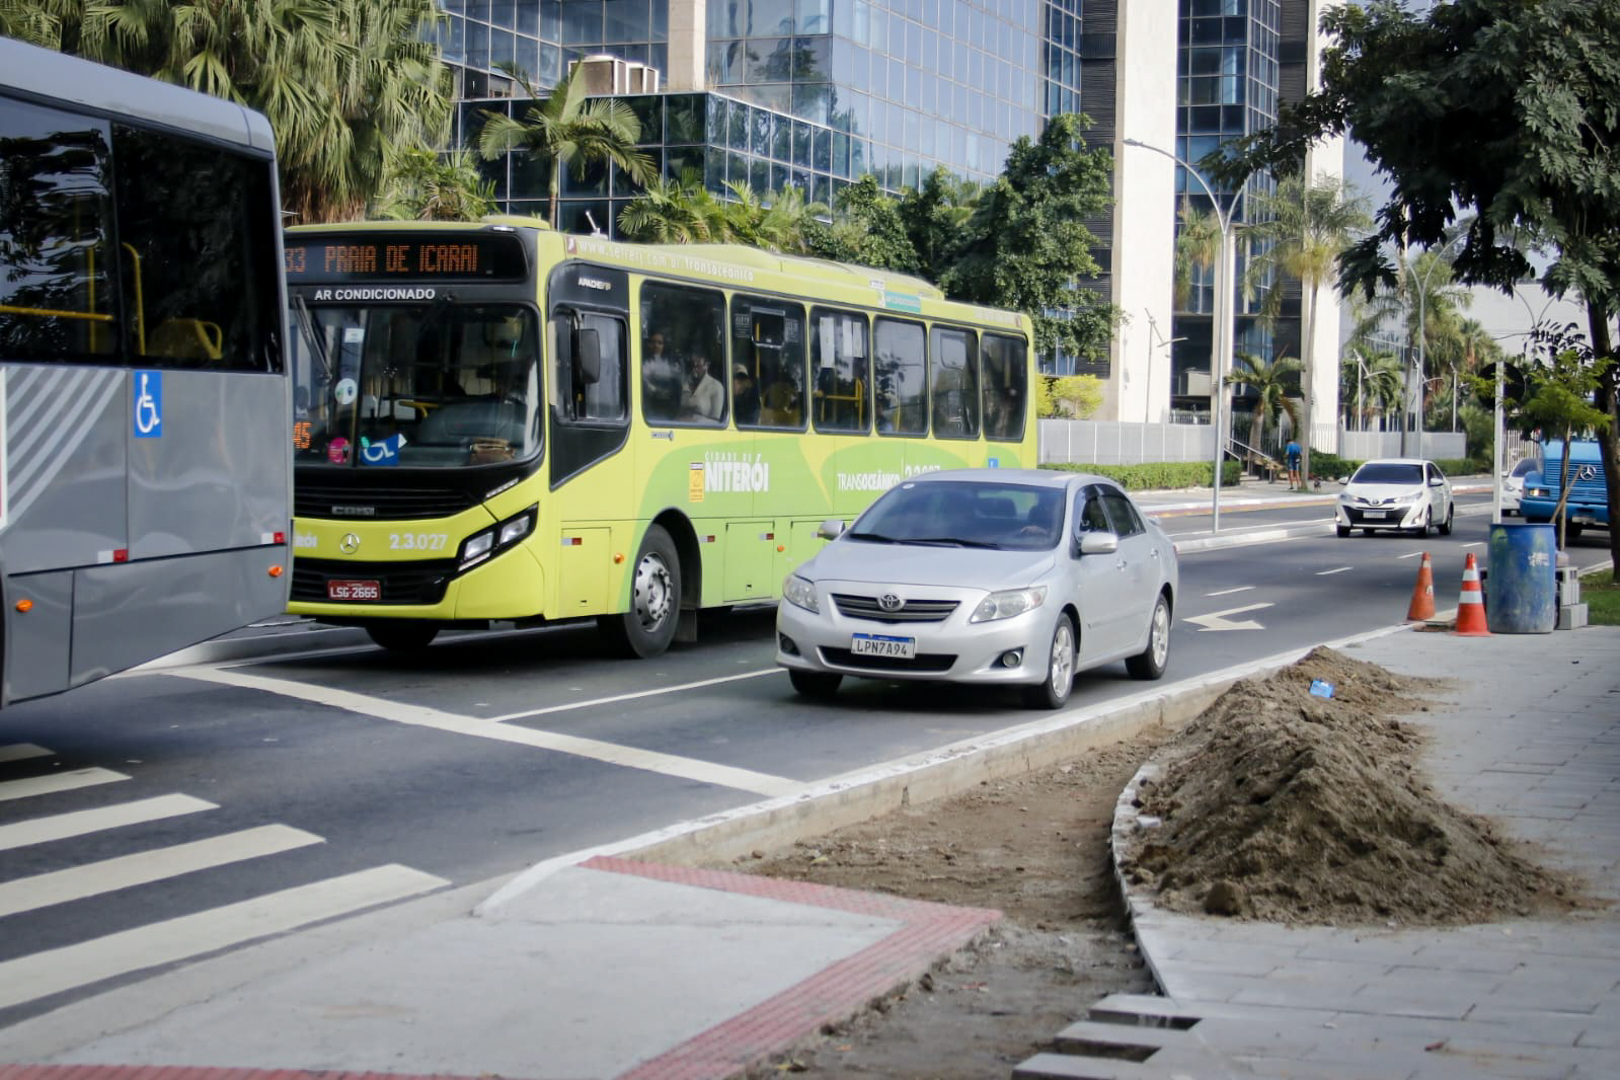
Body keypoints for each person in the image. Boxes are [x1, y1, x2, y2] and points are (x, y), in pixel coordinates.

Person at [642, 330, 681, 421]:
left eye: (660, 343)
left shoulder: (670, 363)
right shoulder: (643, 362)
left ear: (664, 345)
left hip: (668, 407)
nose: (656, 345)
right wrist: (654, 390)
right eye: (653, 342)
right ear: (648, 344)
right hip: (648, 406)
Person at [680, 350, 724, 421]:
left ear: (707, 365)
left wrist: (695, 419)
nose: (694, 370)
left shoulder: (716, 386)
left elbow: (716, 422)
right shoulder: (686, 384)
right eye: (692, 366)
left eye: (698, 366)